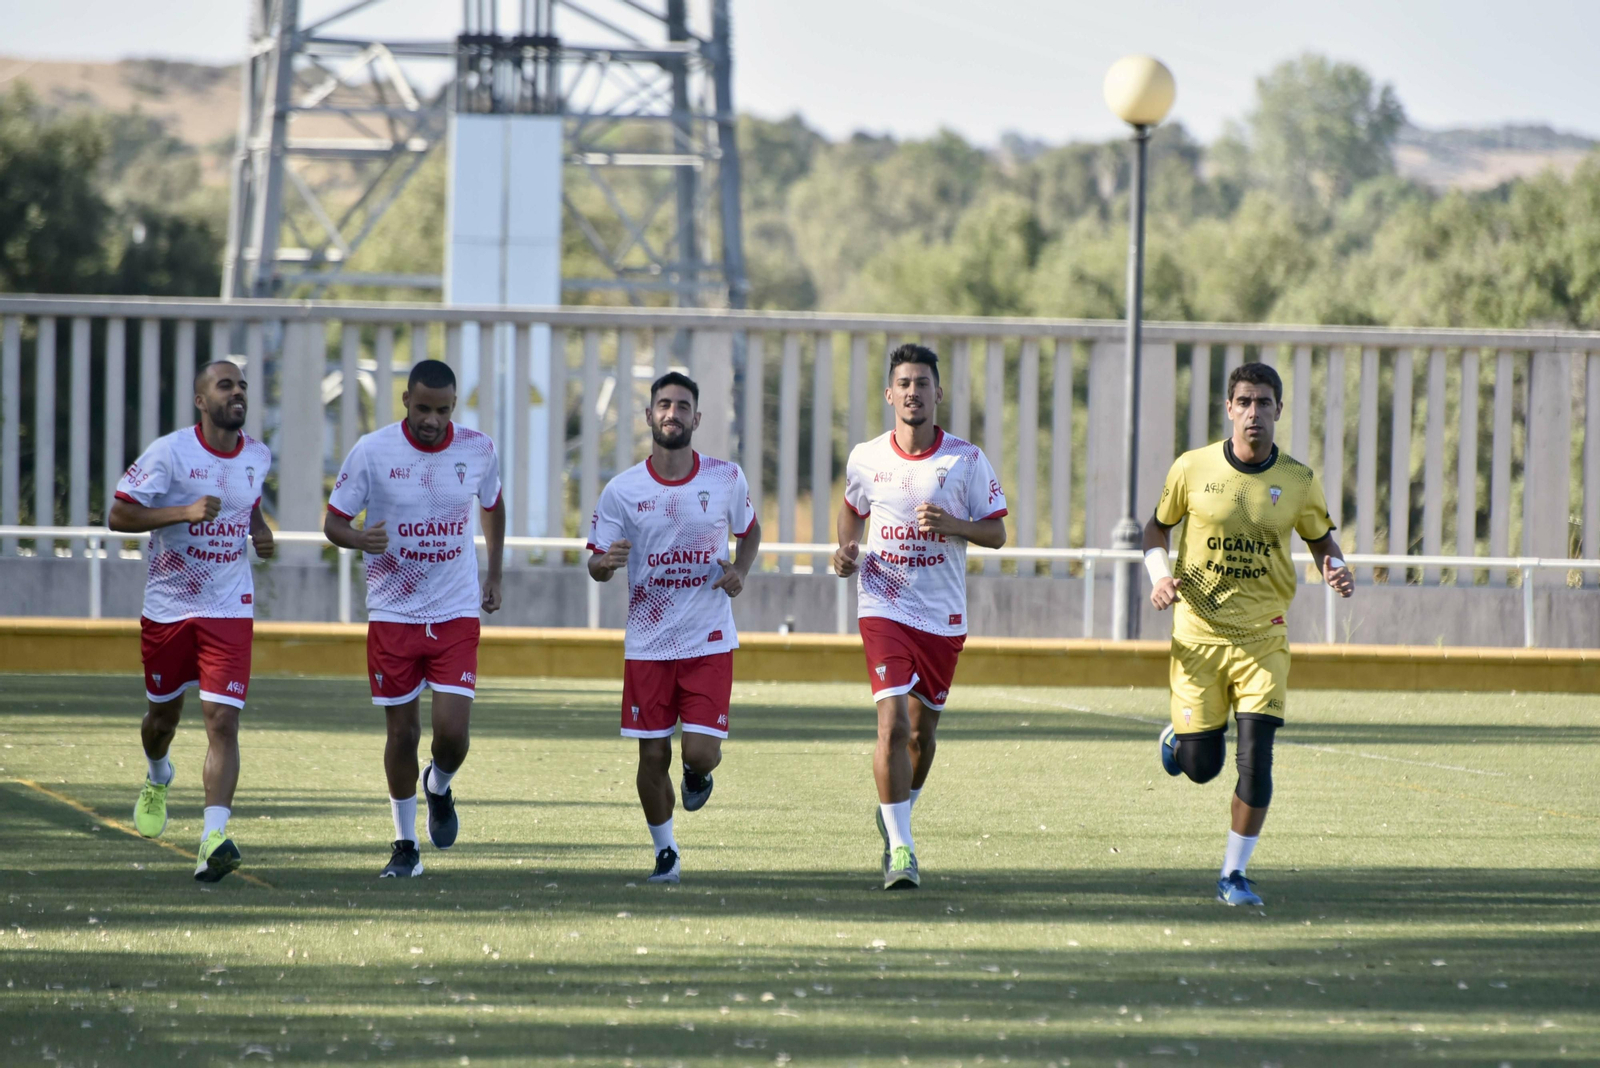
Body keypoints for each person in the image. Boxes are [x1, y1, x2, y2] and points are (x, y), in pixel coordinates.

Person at [1144, 361, 1355, 907]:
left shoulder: (1299, 480)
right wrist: (1160, 575)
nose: (1254, 412)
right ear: (1230, 409)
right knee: (1201, 767)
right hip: (1198, 635)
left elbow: (1320, 537)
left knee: (1257, 758)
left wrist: (1334, 564)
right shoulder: (1192, 468)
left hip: (1264, 637)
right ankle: (1181, 741)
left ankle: (1233, 875)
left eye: (1265, 403)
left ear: (1279, 411)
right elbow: (1155, 527)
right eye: (1245, 402)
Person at [833, 343, 1007, 890]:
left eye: (922, 384)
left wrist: (956, 524)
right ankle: (902, 851)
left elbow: (998, 532)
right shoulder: (867, 457)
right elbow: (852, 512)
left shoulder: (967, 460)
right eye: (903, 383)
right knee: (893, 724)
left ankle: (894, 816)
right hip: (883, 604)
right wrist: (846, 552)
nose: (913, 392)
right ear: (890, 394)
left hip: (942, 615)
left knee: (921, 739)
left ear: (937, 393)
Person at [325, 359, 505, 879]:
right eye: (423, 408)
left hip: (454, 610)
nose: (432, 420)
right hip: (393, 612)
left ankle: (439, 786)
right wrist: (359, 538)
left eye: (443, 410)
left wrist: (494, 575)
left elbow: (492, 504)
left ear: (454, 407)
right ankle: (405, 845)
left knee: (453, 735)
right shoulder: (373, 450)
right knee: (401, 734)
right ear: (406, 400)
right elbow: (334, 521)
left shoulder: (477, 449)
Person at [587, 371, 761, 885]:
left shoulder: (725, 479)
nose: (672, 413)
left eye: (682, 406)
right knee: (651, 754)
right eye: (663, 404)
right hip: (649, 644)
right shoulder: (623, 490)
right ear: (648, 416)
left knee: (699, 753)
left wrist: (740, 572)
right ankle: (666, 853)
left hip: (708, 640)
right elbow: (595, 561)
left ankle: (697, 771)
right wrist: (606, 564)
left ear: (696, 419)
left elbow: (749, 533)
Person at [112, 360, 275, 883]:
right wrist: (180, 512)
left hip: (229, 606)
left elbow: (245, 502)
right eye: (226, 386)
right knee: (163, 720)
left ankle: (214, 838)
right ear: (201, 401)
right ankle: (159, 774)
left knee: (222, 720)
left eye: (242, 386)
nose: (238, 393)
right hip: (169, 607)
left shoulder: (257, 455)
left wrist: (259, 528)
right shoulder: (170, 452)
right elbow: (118, 516)